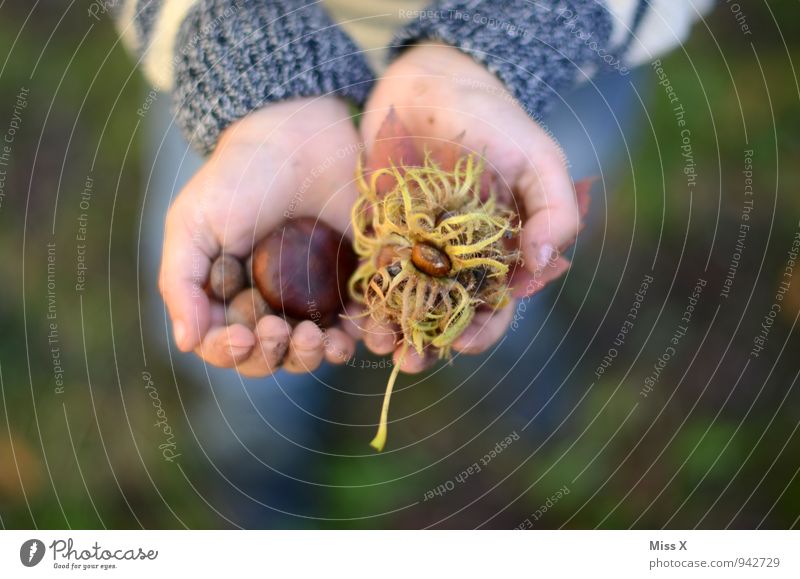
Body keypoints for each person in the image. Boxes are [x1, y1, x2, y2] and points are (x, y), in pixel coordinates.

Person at [115, 0, 713, 377]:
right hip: (235, 64)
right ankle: (247, 470)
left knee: (510, 276)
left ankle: (523, 402)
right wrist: (246, 50)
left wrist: (518, 30)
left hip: (563, 58)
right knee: (236, 342)